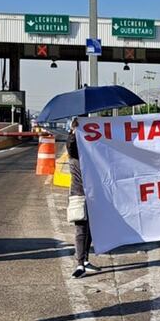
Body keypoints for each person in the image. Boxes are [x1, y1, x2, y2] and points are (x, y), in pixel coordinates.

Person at [68, 117, 100, 278]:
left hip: (93, 194)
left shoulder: (90, 151)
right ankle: (80, 264)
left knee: (91, 229)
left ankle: (85, 260)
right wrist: (75, 131)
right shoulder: (74, 150)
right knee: (81, 229)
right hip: (79, 194)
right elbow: (71, 144)